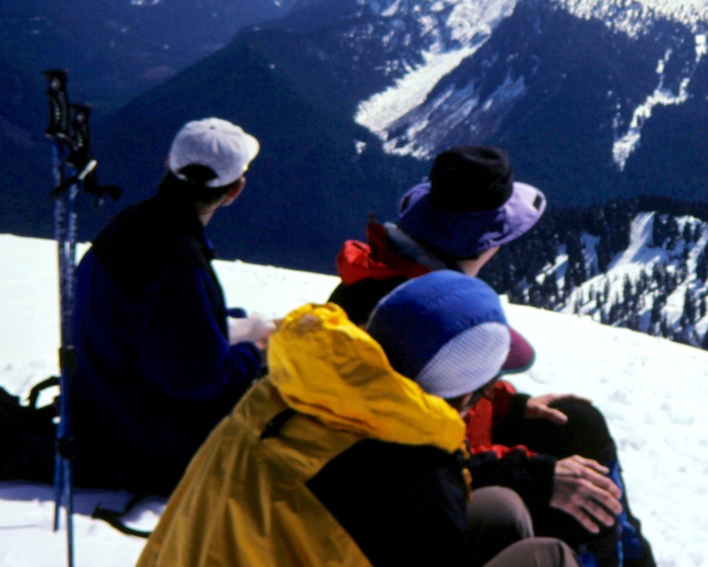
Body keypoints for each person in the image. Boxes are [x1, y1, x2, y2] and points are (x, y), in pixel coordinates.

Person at [330, 146, 656, 567]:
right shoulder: (401, 313)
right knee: (578, 492)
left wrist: (507, 404)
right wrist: (537, 475)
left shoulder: (390, 282)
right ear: (485, 245)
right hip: (418, 476)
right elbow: (409, 456)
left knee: (576, 422)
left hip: (443, 451)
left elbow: (442, 394)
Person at [136, 271, 578, 567]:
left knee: (499, 509)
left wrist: (521, 474)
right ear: (461, 395)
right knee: (550, 557)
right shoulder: (411, 482)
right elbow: (404, 500)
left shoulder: (289, 390)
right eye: (483, 391)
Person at [68, 117, 272, 495]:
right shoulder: (178, 264)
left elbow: (157, 326)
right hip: (143, 436)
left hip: (98, 405)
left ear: (168, 163)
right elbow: (195, 380)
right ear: (235, 190)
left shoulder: (130, 223)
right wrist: (257, 354)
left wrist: (229, 329)